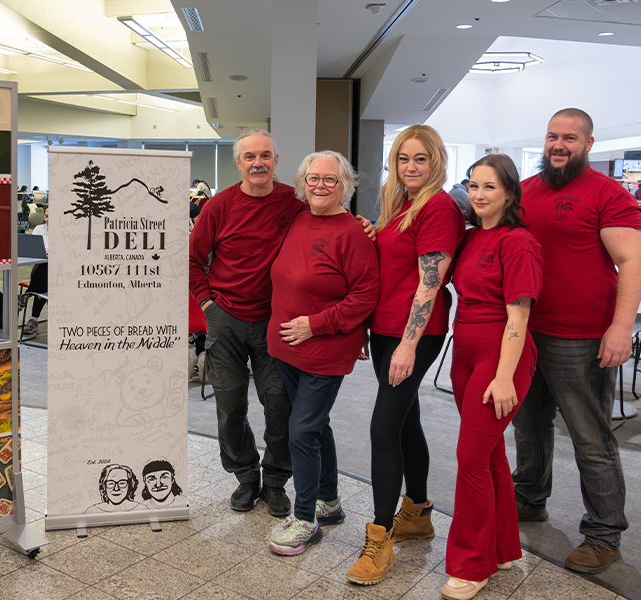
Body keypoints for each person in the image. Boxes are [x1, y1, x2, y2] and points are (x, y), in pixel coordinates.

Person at [512, 108, 641, 575]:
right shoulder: (525, 190)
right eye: (552, 136)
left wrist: (621, 326)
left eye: (570, 137)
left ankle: (604, 534)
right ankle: (528, 499)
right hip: (526, 334)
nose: (559, 144)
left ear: (588, 143)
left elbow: (630, 263)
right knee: (528, 427)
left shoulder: (609, 194)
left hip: (583, 337)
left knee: (590, 438)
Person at [346, 125, 465, 586]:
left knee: (382, 427)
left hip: (412, 333)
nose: (411, 167)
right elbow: (392, 265)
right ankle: (416, 512)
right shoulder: (400, 206)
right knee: (405, 420)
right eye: (403, 159)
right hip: (385, 328)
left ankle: (380, 539)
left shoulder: (437, 207)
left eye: (420, 159)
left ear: (436, 161)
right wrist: (370, 231)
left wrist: (409, 345)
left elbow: (429, 283)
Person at [265, 151, 379, 556]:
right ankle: (328, 502)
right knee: (315, 427)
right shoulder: (299, 217)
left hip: (325, 350)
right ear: (303, 182)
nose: (320, 186)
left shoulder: (353, 233)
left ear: (345, 185)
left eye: (330, 180)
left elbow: (365, 294)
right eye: (313, 178)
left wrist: (315, 324)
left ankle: (304, 520)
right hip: (285, 347)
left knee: (302, 431)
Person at [188, 129, 304, 517]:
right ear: (238, 163)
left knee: (279, 404)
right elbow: (191, 259)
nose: (258, 163)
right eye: (250, 156)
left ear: (276, 161)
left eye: (266, 156)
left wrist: (362, 225)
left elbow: (329, 222)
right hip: (226, 320)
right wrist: (207, 304)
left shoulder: (294, 202)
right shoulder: (218, 206)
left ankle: (274, 481)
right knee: (230, 404)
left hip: (276, 322)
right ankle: (245, 477)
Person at [442, 154, 543, 600]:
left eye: (490, 187)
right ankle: (502, 548)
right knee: (488, 455)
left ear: (509, 192)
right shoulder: (467, 238)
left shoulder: (518, 242)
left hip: (502, 357)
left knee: (470, 459)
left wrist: (504, 379)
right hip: (464, 353)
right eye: (474, 185)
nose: (480, 195)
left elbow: (518, 316)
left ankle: (471, 564)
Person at [22, 209, 49, 335]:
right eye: (47, 216)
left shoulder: (64, 231)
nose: (49, 219)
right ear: (44, 217)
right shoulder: (39, 229)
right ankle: (33, 319)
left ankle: (27, 295)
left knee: (47, 268)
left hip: (59, 270)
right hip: (40, 268)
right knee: (45, 271)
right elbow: (33, 249)